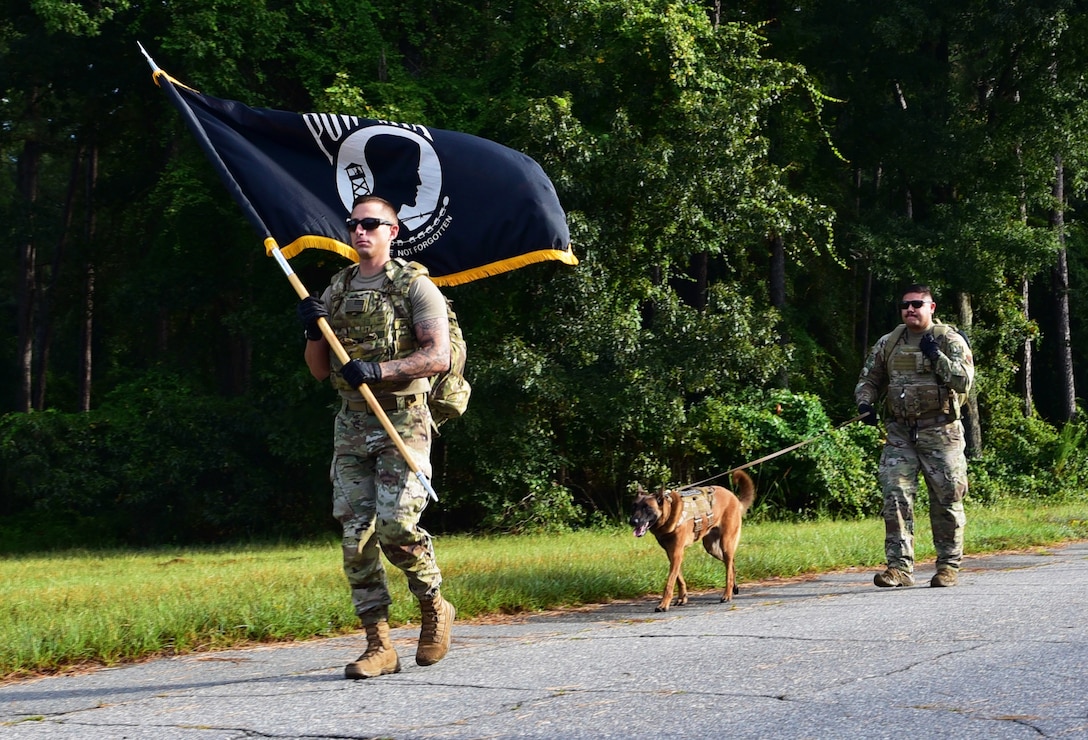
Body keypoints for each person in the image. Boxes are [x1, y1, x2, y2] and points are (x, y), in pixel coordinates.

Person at [297, 194, 455, 679]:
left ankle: (433, 606)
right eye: (354, 224)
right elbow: (320, 372)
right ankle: (379, 646)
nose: (360, 231)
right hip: (352, 423)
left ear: (394, 231)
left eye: (372, 223)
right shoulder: (337, 289)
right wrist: (312, 332)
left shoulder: (415, 287)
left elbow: (438, 357)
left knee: (396, 525)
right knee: (355, 538)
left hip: (402, 420)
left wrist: (379, 369)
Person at [854, 283, 974, 589]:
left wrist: (937, 358)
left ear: (930, 308)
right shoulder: (890, 343)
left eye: (917, 304)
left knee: (947, 499)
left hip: (941, 432)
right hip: (900, 433)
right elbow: (869, 378)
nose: (910, 309)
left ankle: (947, 566)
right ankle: (899, 569)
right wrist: (865, 404)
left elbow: (963, 382)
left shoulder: (948, 340)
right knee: (895, 496)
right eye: (906, 305)